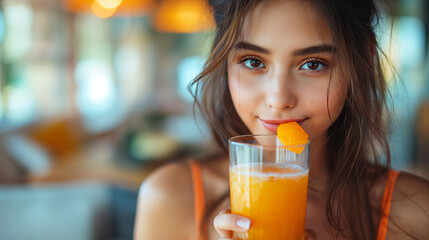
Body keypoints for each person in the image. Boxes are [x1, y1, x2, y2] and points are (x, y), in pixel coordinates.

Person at [134, 0, 429, 239]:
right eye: (253, 61)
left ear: (360, 59)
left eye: (313, 64)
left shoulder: (416, 212)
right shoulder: (170, 199)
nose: (278, 98)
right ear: (224, 61)